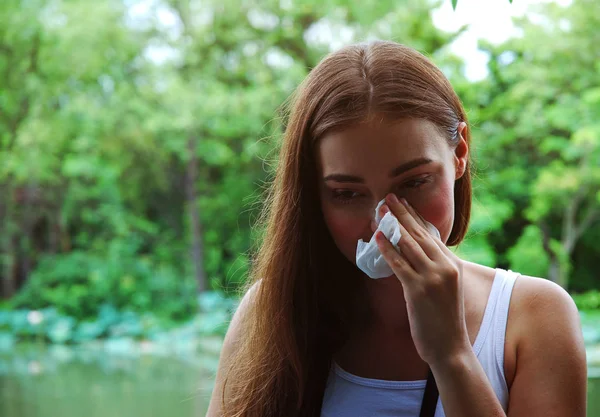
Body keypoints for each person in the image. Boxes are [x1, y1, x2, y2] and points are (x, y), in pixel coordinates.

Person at [205, 40, 587, 417]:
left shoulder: (533, 316)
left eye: (414, 183)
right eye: (347, 193)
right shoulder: (272, 313)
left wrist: (451, 354)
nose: (382, 225)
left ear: (459, 154)